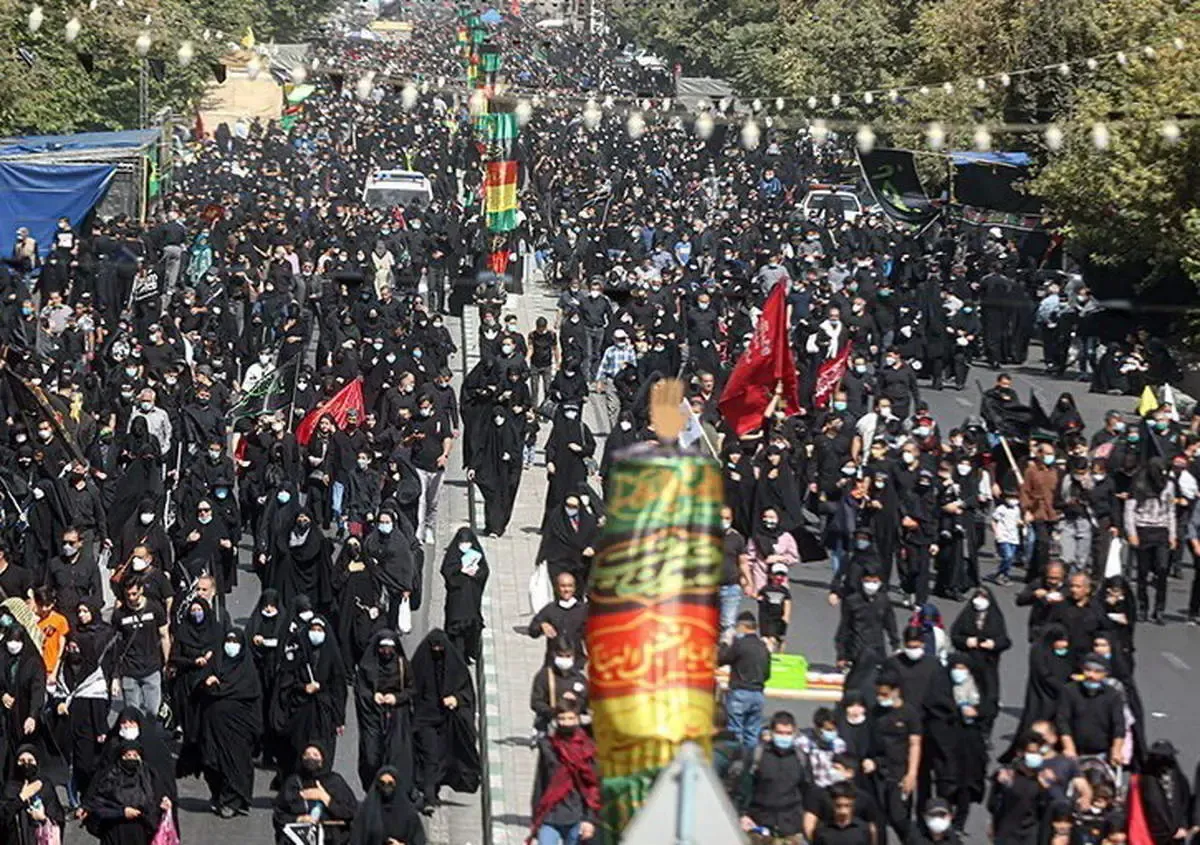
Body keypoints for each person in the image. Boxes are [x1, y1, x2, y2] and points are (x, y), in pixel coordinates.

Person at [410, 629, 480, 812]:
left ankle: (433, 791)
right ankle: (429, 797)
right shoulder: (420, 663)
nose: (436, 652)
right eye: (433, 648)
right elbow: (410, 688)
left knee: (443, 758)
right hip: (424, 719)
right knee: (430, 756)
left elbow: (466, 692)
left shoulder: (455, 666)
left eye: (440, 648)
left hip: (447, 721)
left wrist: (456, 699)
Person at [198, 628, 262, 817]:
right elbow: (197, 689)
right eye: (228, 641)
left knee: (236, 764)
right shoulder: (215, 664)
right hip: (213, 728)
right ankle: (218, 795)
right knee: (211, 763)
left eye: (235, 642)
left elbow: (254, 701)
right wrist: (206, 683)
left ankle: (232, 801)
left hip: (238, 731)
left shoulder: (248, 672)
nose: (231, 645)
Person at [354, 630, 415, 796]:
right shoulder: (367, 666)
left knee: (395, 756)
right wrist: (373, 696)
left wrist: (396, 698)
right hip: (372, 717)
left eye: (390, 648)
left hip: (397, 716)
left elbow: (411, 689)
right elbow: (361, 689)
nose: (386, 652)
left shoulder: (403, 665)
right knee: (371, 757)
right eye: (383, 648)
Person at [864, 669, 922, 841]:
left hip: (899, 773)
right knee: (878, 818)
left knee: (899, 817)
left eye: (885, 694)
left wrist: (911, 774)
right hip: (879, 771)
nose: (881, 698)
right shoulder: (876, 712)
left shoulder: (909, 713)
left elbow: (915, 744)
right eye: (878, 694)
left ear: (896, 691)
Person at [738, 711, 809, 844]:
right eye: (780, 732)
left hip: (790, 826)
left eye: (788, 733)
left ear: (794, 733)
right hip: (759, 824)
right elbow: (744, 787)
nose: (784, 737)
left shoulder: (801, 758)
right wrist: (742, 814)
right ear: (771, 732)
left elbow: (806, 790)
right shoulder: (758, 755)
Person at [82, 741, 170, 845]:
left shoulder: (146, 775)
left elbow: (156, 797)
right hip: (113, 830)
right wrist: (121, 812)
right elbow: (99, 804)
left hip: (140, 830)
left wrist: (164, 802)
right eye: (128, 755)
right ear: (121, 757)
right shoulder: (110, 776)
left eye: (135, 755)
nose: (131, 758)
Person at [272, 741, 358, 845]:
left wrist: (325, 798)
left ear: (323, 760)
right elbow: (279, 814)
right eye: (307, 755)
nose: (311, 758)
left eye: (315, 755)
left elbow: (351, 813)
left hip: (331, 839)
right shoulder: (293, 782)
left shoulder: (335, 782)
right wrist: (299, 819)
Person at [1125, 457, 1176, 624]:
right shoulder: (1138, 485)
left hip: (1162, 530)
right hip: (1143, 530)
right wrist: (1132, 533)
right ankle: (1142, 607)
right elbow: (1129, 511)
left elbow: (1171, 510)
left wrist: (1172, 535)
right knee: (1143, 571)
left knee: (1162, 569)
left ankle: (1159, 609)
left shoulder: (1169, 485)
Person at [110, 577, 170, 717]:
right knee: (132, 714)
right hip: (129, 670)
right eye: (128, 595)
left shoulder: (155, 608)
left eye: (134, 594)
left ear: (141, 590)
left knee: (152, 712)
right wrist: (115, 675)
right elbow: (116, 645)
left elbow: (164, 636)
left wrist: (167, 662)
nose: (131, 598)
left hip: (151, 668)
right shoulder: (119, 614)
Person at [720, 612, 771, 752]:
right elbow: (767, 674)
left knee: (735, 732)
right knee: (752, 734)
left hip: (740, 692)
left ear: (742, 626)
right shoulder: (763, 647)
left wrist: (725, 643)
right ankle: (749, 761)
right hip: (758, 694)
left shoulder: (739, 645)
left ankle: (734, 760)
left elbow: (721, 659)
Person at [0, 743, 65, 845]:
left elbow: (58, 815)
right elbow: (3, 816)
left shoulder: (44, 785)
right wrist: (21, 798)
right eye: (21, 761)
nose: (26, 764)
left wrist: (43, 818)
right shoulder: (9, 788)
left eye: (30, 761)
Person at [441, 527, 489, 663]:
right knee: (456, 632)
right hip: (456, 603)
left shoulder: (476, 553)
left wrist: (475, 573)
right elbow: (447, 571)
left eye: (467, 542)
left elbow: (485, 571)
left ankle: (470, 654)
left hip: (472, 602)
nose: (465, 545)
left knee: (472, 629)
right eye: (462, 543)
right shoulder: (453, 555)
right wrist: (460, 570)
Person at [349, 766, 427, 845]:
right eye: (382, 783)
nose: (386, 788)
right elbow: (356, 839)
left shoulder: (409, 814)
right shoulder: (366, 812)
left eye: (390, 784)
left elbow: (418, 841)